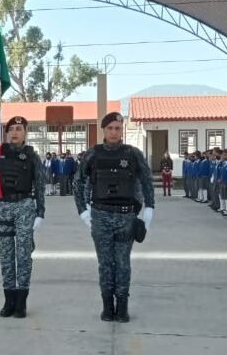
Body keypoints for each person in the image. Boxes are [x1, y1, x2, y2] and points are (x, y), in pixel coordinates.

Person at [74, 112, 154, 323]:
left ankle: (122, 307)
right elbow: (78, 182)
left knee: (123, 263)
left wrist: (149, 207)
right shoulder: (93, 154)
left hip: (126, 216)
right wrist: (83, 210)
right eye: (110, 128)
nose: (113, 132)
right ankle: (108, 307)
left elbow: (146, 180)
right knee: (105, 264)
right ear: (104, 130)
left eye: (117, 128)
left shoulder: (133, 154)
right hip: (100, 215)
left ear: (122, 130)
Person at [0, 116, 45, 319]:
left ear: (25, 133)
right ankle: (9, 300)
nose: (14, 132)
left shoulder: (32, 156)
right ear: (6, 133)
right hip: (3, 206)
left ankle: (21, 301)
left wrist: (40, 212)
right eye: (11, 129)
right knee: (6, 255)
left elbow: (39, 185)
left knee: (23, 255)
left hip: (24, 206)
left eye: (19, 129)